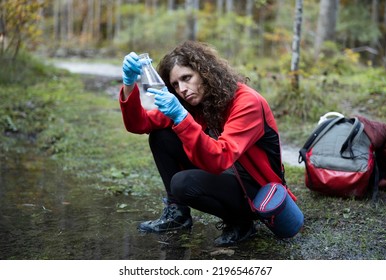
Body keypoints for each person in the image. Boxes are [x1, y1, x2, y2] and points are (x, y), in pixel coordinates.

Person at [119, 40, 288, 247]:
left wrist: (182, 118)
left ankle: (241, 222)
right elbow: (140, 123)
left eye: (187, 78)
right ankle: (177, 214)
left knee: (183, 183)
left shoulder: (247, 102)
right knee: (161, 136)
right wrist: (129, 83)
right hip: (228, 173)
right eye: (175, 84)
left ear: (205, 73)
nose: (182, 89)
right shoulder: (195, 103)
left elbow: (220, 158)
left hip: (258, 191)